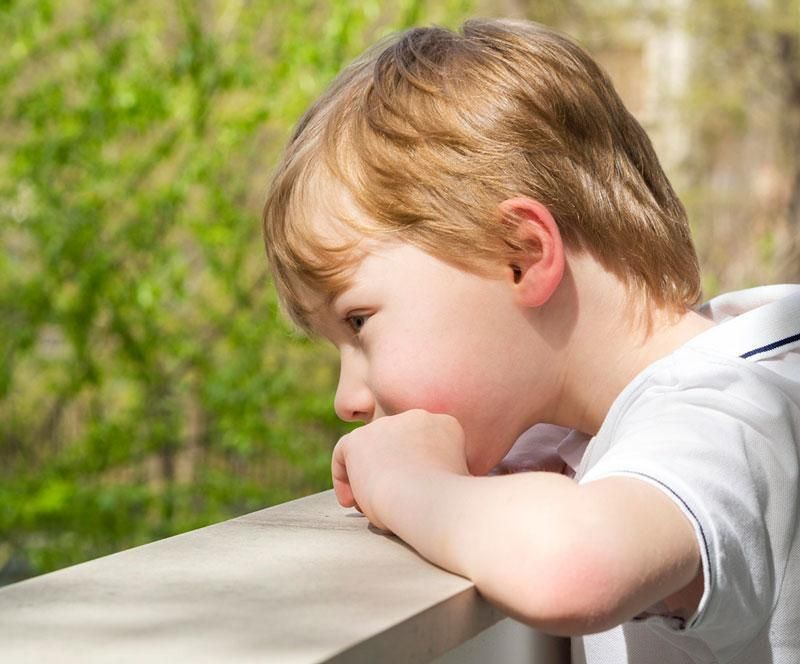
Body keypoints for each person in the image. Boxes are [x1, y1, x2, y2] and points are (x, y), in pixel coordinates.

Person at [261, 18, 800, 663]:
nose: (347, 399)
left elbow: (572, 566)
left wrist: (414, 484)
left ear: (520, 255)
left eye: (358, 323)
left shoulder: (722, 414)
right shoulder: (596, 429)